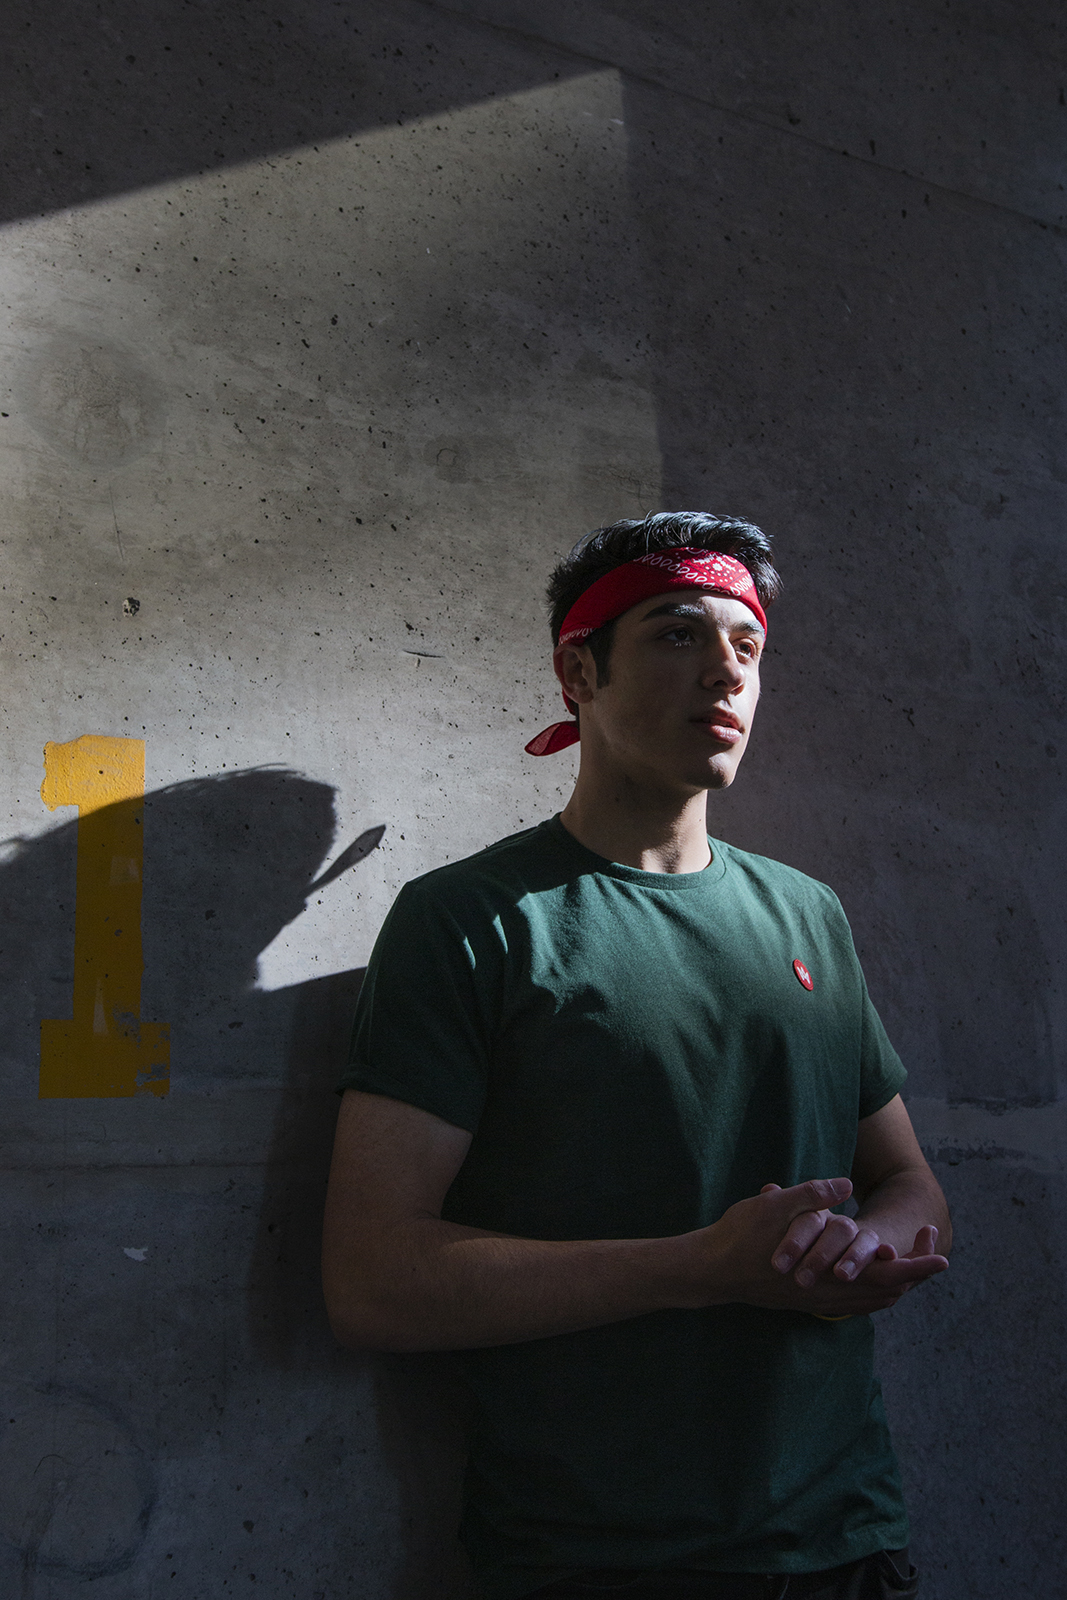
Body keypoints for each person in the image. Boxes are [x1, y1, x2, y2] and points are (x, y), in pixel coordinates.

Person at [322, 512, 951, 1600]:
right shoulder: (472, 920)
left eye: (745, 647)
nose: (723, 671)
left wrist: (863, 1254)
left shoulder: (806, 913)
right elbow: (374, 1282)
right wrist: (698, 1268)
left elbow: (905, 1180)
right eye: (674, 633)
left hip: (843, 1537)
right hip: (592, 1554)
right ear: (578, 669)